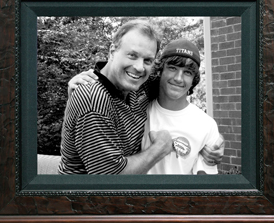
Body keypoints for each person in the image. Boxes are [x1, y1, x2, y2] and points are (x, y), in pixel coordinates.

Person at [58, 19, 173, 175]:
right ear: (112, 51)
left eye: (148, 60)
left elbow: (177, 82)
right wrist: (160, 147)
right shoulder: (93, 99)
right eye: (132, 55)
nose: (139, 67)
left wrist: (210, 139)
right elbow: (111, 177)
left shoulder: (136, 85)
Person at [141, 39, 224, 175]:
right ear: (160, 70)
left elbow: (205, 186)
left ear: (194, 80)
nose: (179, 78)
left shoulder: (206, 125)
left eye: (187, 72)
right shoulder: (138, 112)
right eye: (173, 68)